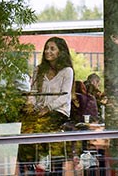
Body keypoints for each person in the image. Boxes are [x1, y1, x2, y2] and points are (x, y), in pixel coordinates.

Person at [20, 37, 74, 174]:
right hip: (39, 110)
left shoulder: (67, 71)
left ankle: (43, 159)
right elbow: (33, 92)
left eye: (52, 48)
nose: (47, 51)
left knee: (40, 125)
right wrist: (31, 105)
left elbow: (65, 96)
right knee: (24, 126)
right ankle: (28, 164)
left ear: (60, 52)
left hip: (59, 111)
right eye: (46, 48)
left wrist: (47, 108)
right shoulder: (38, 70)